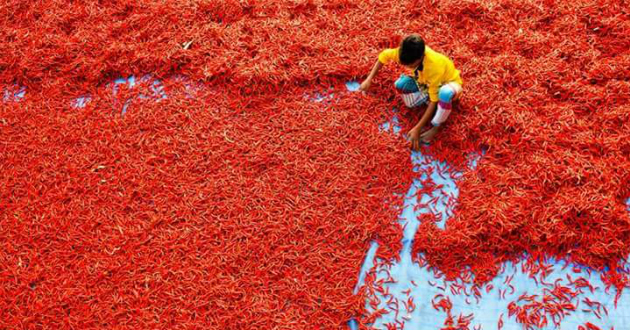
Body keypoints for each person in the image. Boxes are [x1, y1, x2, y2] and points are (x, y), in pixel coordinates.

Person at [360, 34, 463, 149]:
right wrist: (369, 79)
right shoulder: (405, 52)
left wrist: (417, 128)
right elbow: (383, 56)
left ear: (419, 58)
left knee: (444, 93)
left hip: (449, 84)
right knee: (400, 85)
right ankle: (431, 105)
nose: (407, 66)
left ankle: (436, 128)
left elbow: (434, 100)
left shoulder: (434, 66)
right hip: (425, 83)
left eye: (410, 65)